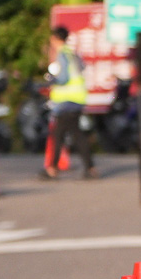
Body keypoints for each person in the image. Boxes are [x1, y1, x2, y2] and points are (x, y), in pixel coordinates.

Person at [41, 29, 96, 180]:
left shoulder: (62, 54)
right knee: (76, 134)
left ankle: (52, 169)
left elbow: (63, 78)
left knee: (58, 135)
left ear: (55, 38)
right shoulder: (72, 53)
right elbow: (82, 68)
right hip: (77, 99)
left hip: (66, 101)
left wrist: (51, 80)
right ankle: (90, 168)